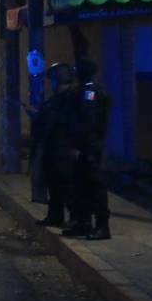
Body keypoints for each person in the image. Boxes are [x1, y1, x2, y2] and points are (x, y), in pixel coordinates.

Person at [66, 58, 113, 240]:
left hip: (89, 146)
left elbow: (88, 121)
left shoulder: (90, 92)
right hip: (87, 144)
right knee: (81, 186)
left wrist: (79, 146)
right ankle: (83, 223)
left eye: (77, 70)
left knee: (94, 186)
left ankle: (101, 227)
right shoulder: (87, 90)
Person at [34, 63, 81, 228]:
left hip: (65, 147)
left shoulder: (72, 97)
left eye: (54, 77)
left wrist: (76, 147)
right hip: (52, 147)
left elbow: (76, 123)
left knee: (67, 185)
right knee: (53, 185)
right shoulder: (55, 98)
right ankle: (55, 216)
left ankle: (75, 219)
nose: (52, 81)